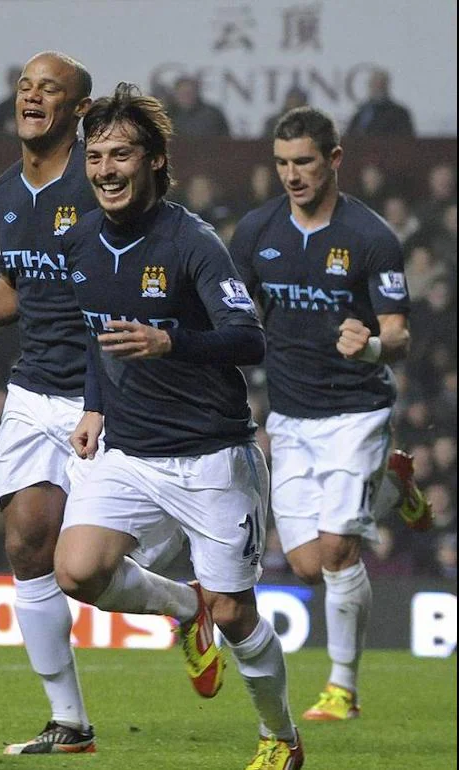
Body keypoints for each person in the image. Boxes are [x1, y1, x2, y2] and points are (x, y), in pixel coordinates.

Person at [0, 52, 176, 756]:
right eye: (24, 87)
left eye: (49, 89)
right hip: (35, 388)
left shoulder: (99, 183)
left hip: (109, 393)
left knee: (86, 567)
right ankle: (71, 722)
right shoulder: (3, 192)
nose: (31, 97)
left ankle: (186, 606)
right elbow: (20, 286)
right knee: (26, 546)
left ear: (79, 108)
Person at [55, 83, 304, 770]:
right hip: (129, 451)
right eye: (96, 156)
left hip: (211, 457)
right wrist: (94, 404)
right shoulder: (81, 244)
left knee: (236, 615)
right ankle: (182, 606)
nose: (106, 169)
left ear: (156, 161)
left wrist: (172, 343)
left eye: (122, 154)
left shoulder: (192, 242)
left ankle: (280, 736)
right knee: (76, 570)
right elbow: (97, 335)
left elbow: (248, 339)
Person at [230, 106, 430, 725]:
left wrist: (369, 343)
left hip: (356, 412)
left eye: (305, 163)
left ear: (334, 160)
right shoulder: (257, 232)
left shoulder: (370, 237)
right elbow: (235, 314)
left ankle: (342, 687)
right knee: (309, 565)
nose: (292, 175)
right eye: (283, 164)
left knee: (341, 550)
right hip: (290, 418)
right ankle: (395, 488)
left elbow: (399, 335)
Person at [346, 69, 414, 138]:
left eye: (379, 83)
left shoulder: (399, 113)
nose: (375, 87)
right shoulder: (362, 111)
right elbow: (350, 134)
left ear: (386, 86)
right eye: (373, 83)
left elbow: (406, 140)